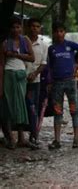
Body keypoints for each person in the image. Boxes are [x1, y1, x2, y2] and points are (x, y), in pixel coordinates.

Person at [48, 22, 78, 149]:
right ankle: (57, 140)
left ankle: (76, 139)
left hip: (71, 82)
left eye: (61, 31)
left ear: (65, 32)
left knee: (74, 110)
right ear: (54, 33)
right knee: (57, 111)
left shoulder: (70, 45)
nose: (59, 34)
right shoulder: (52, 49)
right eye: (57, 31)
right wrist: (50, 82)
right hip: (57, 83)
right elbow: (50, 67)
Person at [1, 17, 34, 149]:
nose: (16, 30)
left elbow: (32, 58)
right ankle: (10, 138)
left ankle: (21, 137)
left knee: (20, 106)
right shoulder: (4, 43)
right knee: (8, 107)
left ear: (21, 28)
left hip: (21, 75)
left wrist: (16, 55)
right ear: (10, 29)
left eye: (18, 27)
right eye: (13, 27)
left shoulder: (25, 41)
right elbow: (2, 64)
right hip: (8, 75)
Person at [24, 18, 48, 149]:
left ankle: (34, 135)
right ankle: (22, 136)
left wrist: (35, 74)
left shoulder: (43, 45)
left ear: (40, 28)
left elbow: (43, 63)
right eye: (32, 26)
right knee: (22, 107)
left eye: (37, 26)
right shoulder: (22, 42)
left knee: (34, 109)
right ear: (28, 27)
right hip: (21, 79)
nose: (34, 28)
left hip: (35, 81)